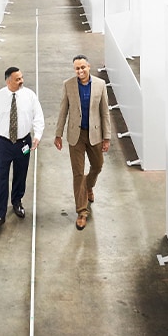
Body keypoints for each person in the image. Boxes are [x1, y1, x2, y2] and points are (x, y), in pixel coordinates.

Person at [53, 54, 111, 231]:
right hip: (75, 136)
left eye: (82, 67)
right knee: (78, 173)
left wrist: (107, 137)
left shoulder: (100, 85)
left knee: (98, 166)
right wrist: (58, 134)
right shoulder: (68, 85)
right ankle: (81, 212)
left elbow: (104, 112)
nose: (80, 71)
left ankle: (88, 187)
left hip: (95, 134)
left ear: (89, 66)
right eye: (77, 68)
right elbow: (63, 111)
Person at [0, 66, 44, 229]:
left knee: (20, 174)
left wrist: (37, 135)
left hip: (23, 143)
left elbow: (38, 116)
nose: (21, 81)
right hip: (4, 144)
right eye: (18, 79)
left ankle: (17, 201)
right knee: (1, 178)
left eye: (22, 77)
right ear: (8, 81)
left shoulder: (29, 96)